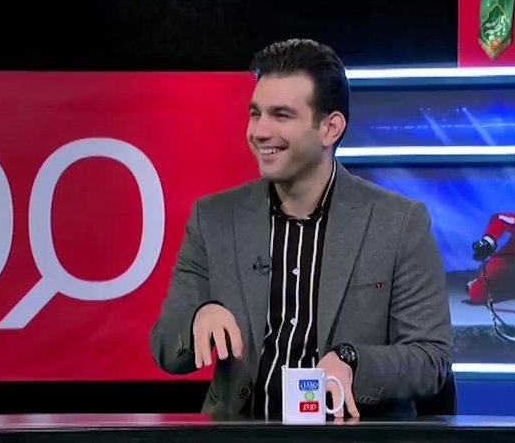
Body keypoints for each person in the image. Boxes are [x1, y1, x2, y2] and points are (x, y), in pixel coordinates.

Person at [149, 39, 452, 420]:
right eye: (255, 114)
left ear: (330, 128)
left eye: (281, 115)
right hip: (240, 435)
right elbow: (165, 346)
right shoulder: (214, 219)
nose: (259, 131)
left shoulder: (399, 223)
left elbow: (430, 359)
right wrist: (198, 317)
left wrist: (351, 361)